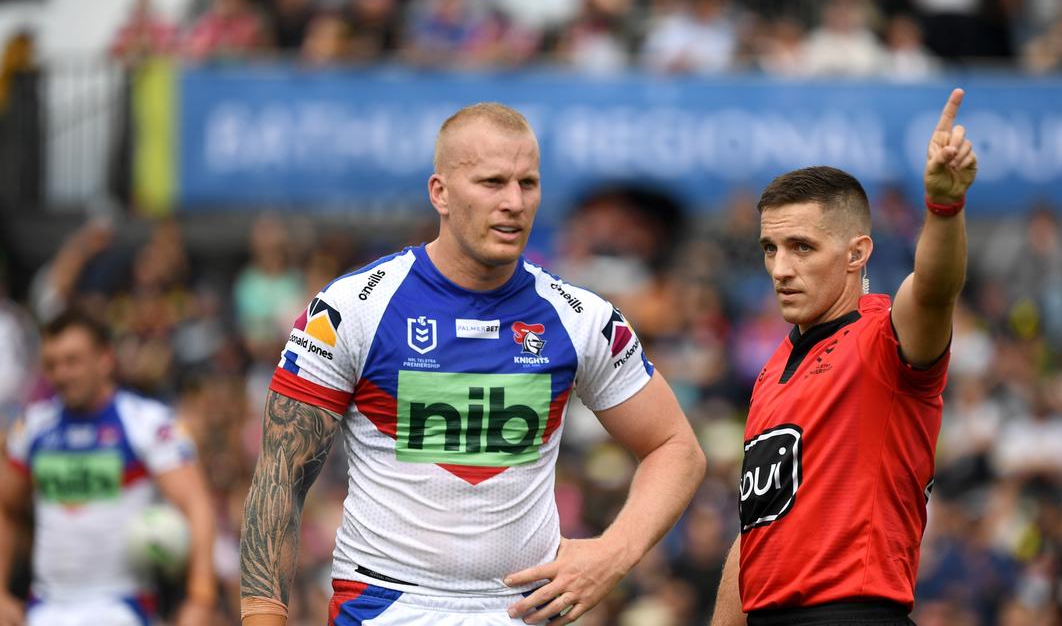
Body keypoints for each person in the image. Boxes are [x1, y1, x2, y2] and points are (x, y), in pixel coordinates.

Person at [239, 103, 706, 625]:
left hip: (522, 610)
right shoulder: (355, 307)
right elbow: (279, 478)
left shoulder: (580, 317)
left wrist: (613, 555)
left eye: (528, 184)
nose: (514, 202)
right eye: (492, 182)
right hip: (386, 607)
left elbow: (676, 448)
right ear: (439, 192)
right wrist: (263, 616)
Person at [712, 89, 978, 625]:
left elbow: (933, 289)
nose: (780, 268)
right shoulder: (771, 371)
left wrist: (944, 210)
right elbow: (758, 526)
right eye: (771, 248)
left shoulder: (884, 336)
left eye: (802, 247)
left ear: (857, 253)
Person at [0, 310, 217, 626]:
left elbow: (197, 505)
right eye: (52, 364)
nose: (61, 374)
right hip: (45, 607)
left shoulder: (148, 423)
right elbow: (6, 509)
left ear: (105, 359)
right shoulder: (31, 429)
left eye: (73, 361)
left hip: (122, 608)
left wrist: (201, 597)